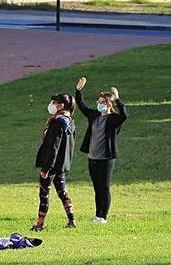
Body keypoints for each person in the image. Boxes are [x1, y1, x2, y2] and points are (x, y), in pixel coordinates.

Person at [75, 77, 128, 223]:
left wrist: (118, 99)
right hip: (93, 158)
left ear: (110, 104)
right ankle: (97, 215)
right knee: (97, 188)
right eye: (99, 102)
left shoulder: (114, 119)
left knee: (104, 188)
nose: (100, 104)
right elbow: (82, 105)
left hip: (106, 158)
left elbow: (125, 115)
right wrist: (78, 90)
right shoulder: (95, 116)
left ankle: (103, 216)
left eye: (103, 102)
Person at [32, 93, 77, 231]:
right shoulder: (70, 121)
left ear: (61, 105)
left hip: (51, 165)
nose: (51, 105)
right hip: (61, 165)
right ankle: (72, 221)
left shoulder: (58, 122)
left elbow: (53, 147)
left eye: (54, 102)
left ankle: (39, 224)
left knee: (44, 193)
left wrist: (46, 168)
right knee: (62, 192)